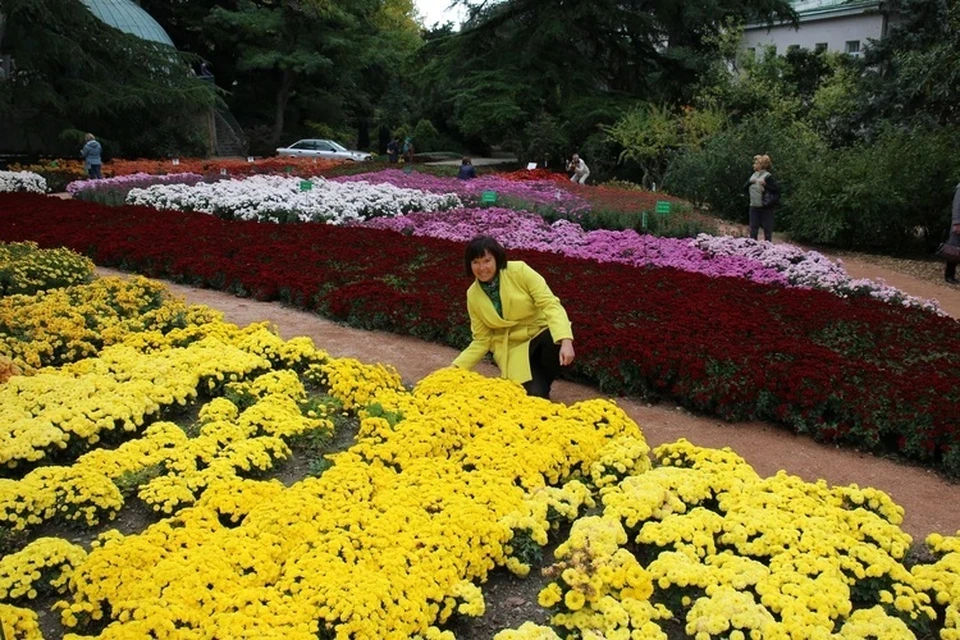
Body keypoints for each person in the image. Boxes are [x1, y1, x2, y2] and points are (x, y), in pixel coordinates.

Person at [452, 235, 575, 399]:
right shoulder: (473, 295)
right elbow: (482, 340)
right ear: (470, 265)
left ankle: (542, 383)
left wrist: (566, 340)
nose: (482, 267)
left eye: (487, 260)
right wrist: (455, 368)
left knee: (556, 336)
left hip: (539, 335)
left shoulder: (519, 271)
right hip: (512, 348)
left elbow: (550, 304)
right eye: (476, 262)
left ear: (497, 259)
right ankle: (539, 389)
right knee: (534, 396)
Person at [744, 154, 780, 242]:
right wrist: (749, 182)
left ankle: (767, 249)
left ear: (761, 165)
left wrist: (766, 185)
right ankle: (752, 248)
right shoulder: (753, 175)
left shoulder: (768, 177)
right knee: (753, 229)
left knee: (767, 230)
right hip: (754, 206)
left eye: (755, 163)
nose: (753, 165)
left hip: (766, 208)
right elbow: (744, 188)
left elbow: (777, 190)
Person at [946, 182, 960, 284]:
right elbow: (957, 206)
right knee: (953, 250)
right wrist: (956, 223)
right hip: (959, 225)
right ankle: (949, 275)